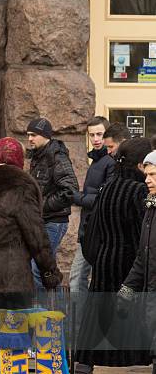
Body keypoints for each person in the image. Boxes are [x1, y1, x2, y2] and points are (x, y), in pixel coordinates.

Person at [71, 138, 152, 374]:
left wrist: (98, 258)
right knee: (148, 330)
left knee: (93, 328)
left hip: (104, 266)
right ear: (141, 164)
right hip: (133, 271)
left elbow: (92, 231)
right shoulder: (141, 192)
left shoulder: (107, 188)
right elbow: (145, 236)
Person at [0, 138, 62, 306]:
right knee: (15, 330)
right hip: (12, 277)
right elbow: (36, 235)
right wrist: (49, 273)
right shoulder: (21, 185)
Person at [117, 150, 156, 374]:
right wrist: (126, 291)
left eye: (154, 175)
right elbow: (143, 257)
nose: (148, 180)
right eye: (147, 175)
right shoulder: (150, 209)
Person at [27, 117, 78, 287]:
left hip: (54, 222)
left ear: (45, 136)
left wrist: (42, 206)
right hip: (44, 221)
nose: (30, 139)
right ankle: (51, 309)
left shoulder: (56, 156)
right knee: (46, 269)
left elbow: (70, 191)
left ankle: (43, 310)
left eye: (34, 135)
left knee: (39, 268)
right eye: (28, 135)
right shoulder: (39, 155)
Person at [69, 117, 115, 297]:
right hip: (88, 229)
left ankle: (82, 324)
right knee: (77, 279)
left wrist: (78, 197)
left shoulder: (110, 162)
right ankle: (82, 323)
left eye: (99, 134)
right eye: (91, 135)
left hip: (99, 232)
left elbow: (105, 199)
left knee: (80, 278)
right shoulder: (96, 161)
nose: (96, 139)